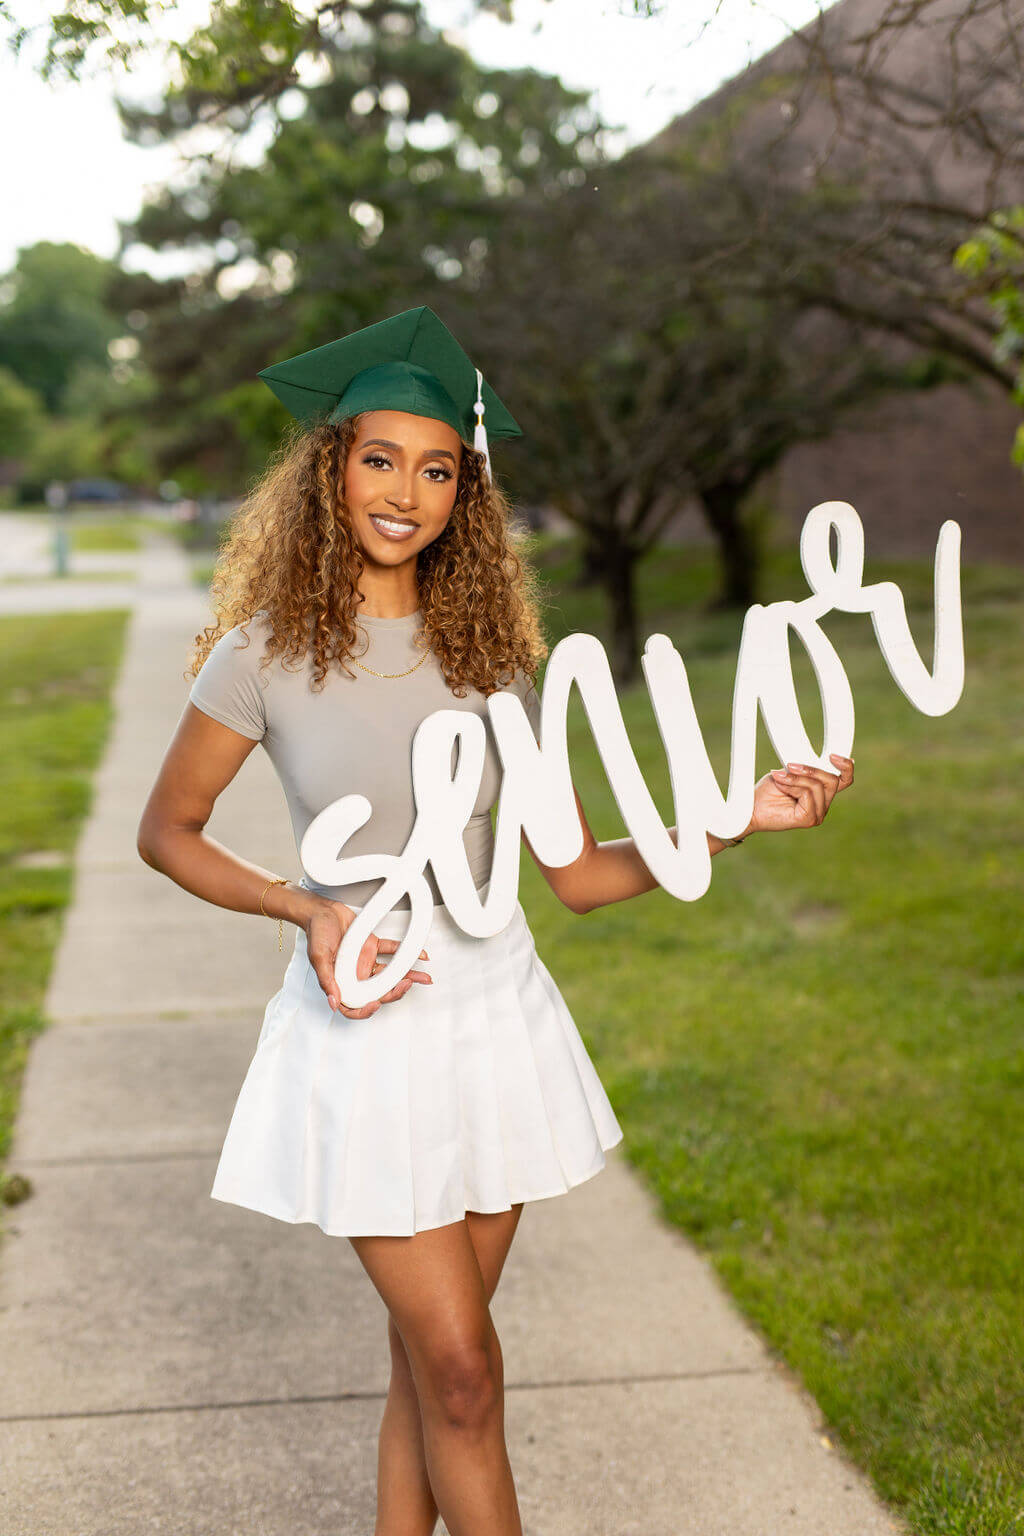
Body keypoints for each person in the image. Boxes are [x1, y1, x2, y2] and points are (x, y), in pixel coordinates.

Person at [137, 305, 854, 1536]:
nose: (405, 491)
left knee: (436, 1368)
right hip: (367, 1022)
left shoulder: (490, 660)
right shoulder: (260, 654)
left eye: (436, 468)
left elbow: (571, 872)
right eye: (379, 459)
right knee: (463, 1369)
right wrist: (301, 907)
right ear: (330, 470)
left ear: (464, 492)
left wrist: (735, 821)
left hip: (491, 1020)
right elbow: (170, 832)